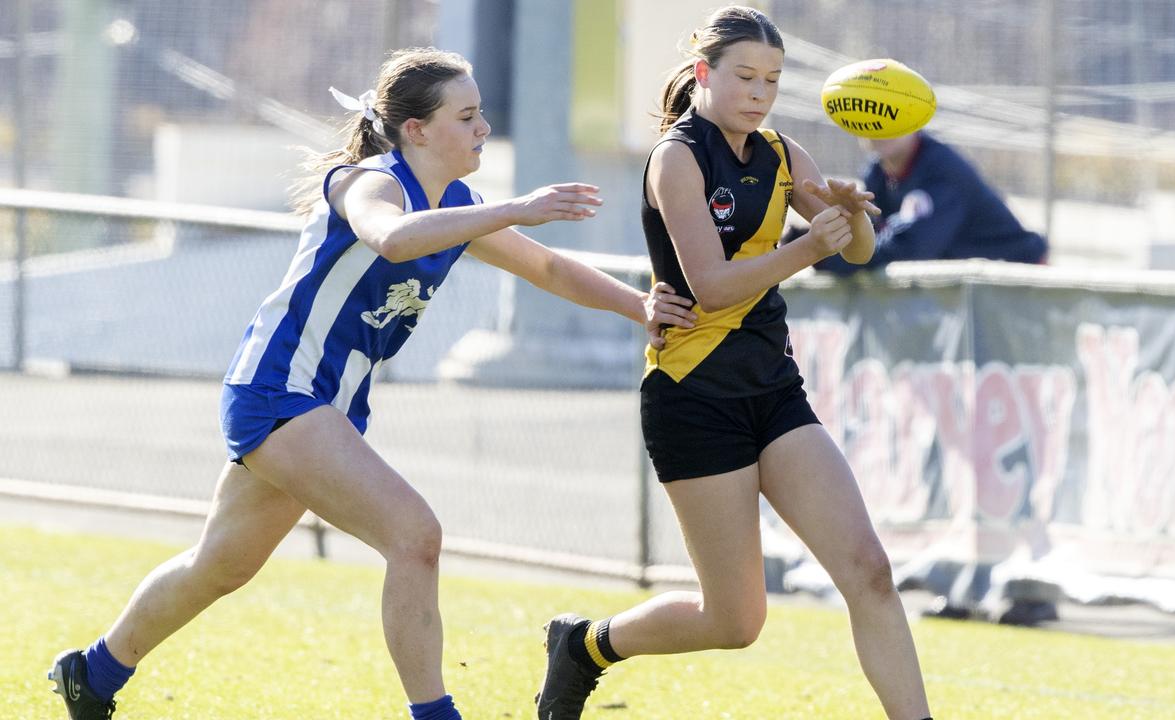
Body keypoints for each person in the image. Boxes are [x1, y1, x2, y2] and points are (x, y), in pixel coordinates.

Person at [46, 47, 697, 720]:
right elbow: (391, 239)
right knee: (414, 535)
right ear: (416, 130)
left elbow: (551, 271)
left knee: (220, 566)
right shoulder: (366, 183)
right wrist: (511, 209)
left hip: (324, 407)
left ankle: (91, 674)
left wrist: (640, 307)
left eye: (482, 116)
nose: (482, 130)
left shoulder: (458, 206)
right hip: (280, 391)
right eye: (467, 116)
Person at [535, 8, 932, 720]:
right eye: (745, 76)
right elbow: (711, 287)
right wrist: (809, 247)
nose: (759, 92)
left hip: (774, 391)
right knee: (735, 621)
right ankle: (585, 646)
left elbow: (860, 252)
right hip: (694, 396)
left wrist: (850, 213)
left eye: (773, 80)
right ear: (703, 75)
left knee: (870, 572)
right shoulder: (677, 157)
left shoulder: (781, 154)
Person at [805, 130, 1047, 275]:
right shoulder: (876, 173)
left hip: (1018, 287)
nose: (881, 125)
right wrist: (818, 241)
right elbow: (875, 234)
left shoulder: (942, 169)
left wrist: (829, 257)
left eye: (892, 114)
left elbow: (913, 248)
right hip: (962, 300)